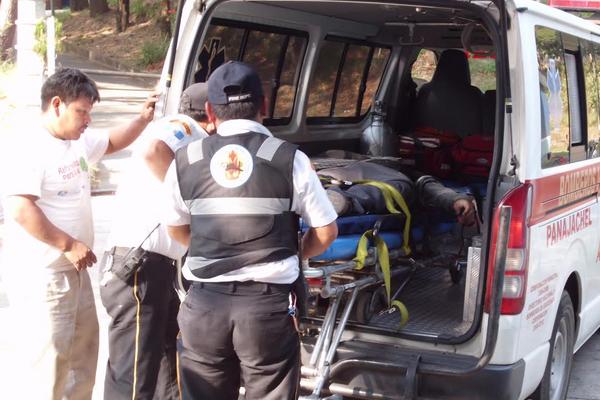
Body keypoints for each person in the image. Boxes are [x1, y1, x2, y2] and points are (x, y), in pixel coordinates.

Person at [163, 61, 339, 400]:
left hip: (204, 306)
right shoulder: (290, 158)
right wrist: (295, 251)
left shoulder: (185, 160)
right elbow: (327, 231)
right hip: (267, 309)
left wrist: (207, 247)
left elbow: (175, 227)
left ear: (210, 111)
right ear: (264, 105)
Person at [1, 68, 157, 400]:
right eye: (81, 112)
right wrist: (67, 244)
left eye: (90, 113)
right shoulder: (31, 147)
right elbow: (19, 207)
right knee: (50, 364)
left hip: (75, 271)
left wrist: (142, 120)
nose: (87, 120)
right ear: (56, 104)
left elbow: (113, 140)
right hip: (45, 276)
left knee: (83, 358)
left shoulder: (78, 141)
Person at [100, 83, 213, 400]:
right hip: (139, 265)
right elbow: (153, 151)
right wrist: (188, 202)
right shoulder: (185, 126)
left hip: (154, 267)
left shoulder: (194, 138)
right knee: (134, 376)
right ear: (210, 112)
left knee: (166, 360)